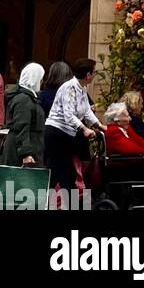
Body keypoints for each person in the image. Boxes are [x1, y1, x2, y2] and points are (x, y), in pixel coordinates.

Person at [43, 57, 104, 200]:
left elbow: (87, 111)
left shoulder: (81, 89)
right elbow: (69, 115)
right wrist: (84, 129)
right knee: (66, 175)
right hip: (56, 133)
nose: (95, 75)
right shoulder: (69, 87)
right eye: (94, 72)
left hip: (66, 135)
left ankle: (43, 202)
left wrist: (100, 126)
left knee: (59, 174)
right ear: (88, 75)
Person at [1, 63, 45, 167]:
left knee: (20, 182)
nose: (42, 81)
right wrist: (26, 153)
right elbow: (21, 127)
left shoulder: (28, 98)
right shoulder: (23, 99)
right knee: (10, 182)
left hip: (26, 149)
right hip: (19, 152)